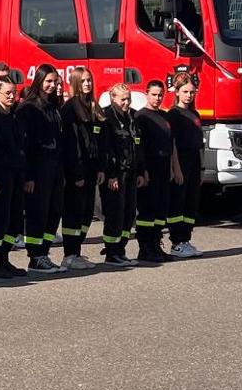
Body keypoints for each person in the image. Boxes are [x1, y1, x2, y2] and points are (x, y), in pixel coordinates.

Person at [18, 65, 65, 273]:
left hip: (55, 167)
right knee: (38, 213)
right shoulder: (29, 108)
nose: (52, 85)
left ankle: (44, 252)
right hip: (38, 170)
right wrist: (28, 175)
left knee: (53, 212)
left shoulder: (53, 106)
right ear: (39, 81)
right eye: (48, 81)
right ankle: (35, 256)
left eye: (55, 81)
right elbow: (24, 145)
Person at [57, 67, 102, 270]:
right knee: (74, 213)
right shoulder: (70, 108)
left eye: (89, 80)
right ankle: (69, 254)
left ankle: (77, 251)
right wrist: (76, 173)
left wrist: (100, 168)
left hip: (92, 168)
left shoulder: (91, 106)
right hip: (78, 170)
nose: (87, 84)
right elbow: (71, 143)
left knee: (85, 213)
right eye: (83, 80)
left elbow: (96, 139)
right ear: (75, 82)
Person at [133, 80, 182, 264]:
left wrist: (172, 167)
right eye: (154, 94)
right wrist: (143, 170)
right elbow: (140, 148)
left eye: (160, 95)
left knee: (161, 209)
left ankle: (156, 244)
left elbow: (170, 144)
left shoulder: (165, 116)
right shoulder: (141, 117)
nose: (157, 98)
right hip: (150, 168)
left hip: (163, 167)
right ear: (147, 94)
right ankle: (145, 248)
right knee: (148, 209)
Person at [0, 77, 29, 278]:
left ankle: (5, 259)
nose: (11, 97)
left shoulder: (15, 117)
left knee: (14, 219)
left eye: (14, 93)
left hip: (16, 173)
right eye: (7, 93)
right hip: (1, 176)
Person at [97, 82, 139, 267]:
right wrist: (111, 174)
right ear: (112, 98)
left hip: (130, 171)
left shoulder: (131, 117)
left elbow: (137, 145)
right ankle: (111, 252)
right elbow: (106, 149)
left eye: (128, 98)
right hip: (115, 174)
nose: (126, 102)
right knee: (115, 214)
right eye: (122, 99)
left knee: (128, 214)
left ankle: (120, 249)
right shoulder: (106, 118)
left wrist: (140, 171)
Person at [165, 73, 204, 258]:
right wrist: (177, 168)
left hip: (194, 161)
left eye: (192, 92)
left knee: (191, 202)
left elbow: (199, 144)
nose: (189, 95)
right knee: (178, 202)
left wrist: (202, 168)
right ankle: (176, 242)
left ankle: (186, 238)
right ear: (177, 92)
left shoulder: (195, 114)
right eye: (185, 91)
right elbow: (172, 144)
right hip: (181, 161)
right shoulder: (173, 114)